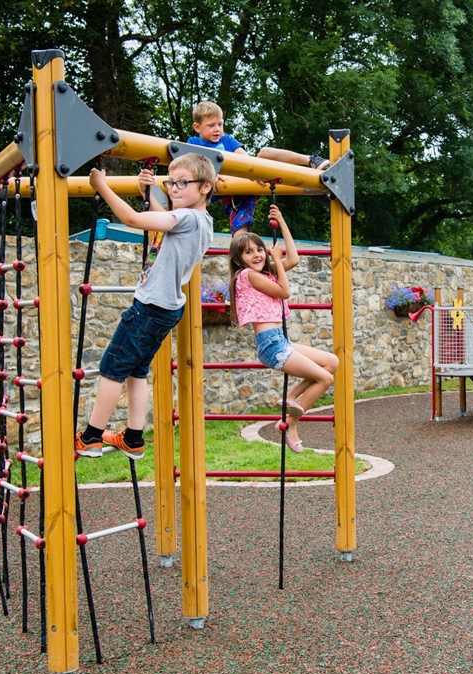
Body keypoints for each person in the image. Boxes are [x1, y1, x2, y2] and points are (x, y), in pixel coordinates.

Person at [75, 153, 215, 459]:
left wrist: (102, 185)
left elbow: (132, 220)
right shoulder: (201, 221)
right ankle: (133, 438)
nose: (174, 189)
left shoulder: (187, 218)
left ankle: (91, 436)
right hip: (167, 308)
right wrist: (148, 193)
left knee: (112, 368)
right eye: (171, 183)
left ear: (205, 187)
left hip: (149, 307)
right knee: (136, 371)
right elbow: (160, 218)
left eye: (182, 183)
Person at [229, 204, 338, 452]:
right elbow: (285, 292)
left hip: (279, 340)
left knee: (331, 362)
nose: (256, 255)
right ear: (238, 260)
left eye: (259, 249)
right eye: (248, 252)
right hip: (270, 344)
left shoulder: (265, 274)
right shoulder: (247, 276)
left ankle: (290, 397)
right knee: (325, 377)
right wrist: (275, 260)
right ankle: (291, 423)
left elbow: (294, 259)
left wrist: (282, 221)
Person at [188, 101, 329, 236]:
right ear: (197, 127)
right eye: (211, 125)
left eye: (220, 124)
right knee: (238, 238)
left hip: (246, 184)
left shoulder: (227, 140)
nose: (217, 129)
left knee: (264, 153)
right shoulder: (193, 143)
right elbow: (191, 167)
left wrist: (255, 172)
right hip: (218, 191)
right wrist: (210, 174)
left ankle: (311, 160)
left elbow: (246, 160)